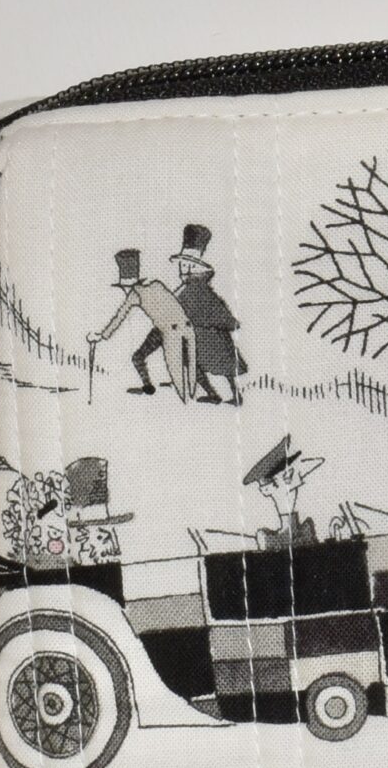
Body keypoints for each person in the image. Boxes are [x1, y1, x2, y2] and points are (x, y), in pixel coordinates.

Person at [87, 249, 193, 399]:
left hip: (168, 331)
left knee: (172, 369)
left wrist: (101, 336)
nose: (125, 291)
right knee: (185, 360)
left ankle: (182, 396)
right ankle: (208, 391)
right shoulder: (156, 284)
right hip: (178, 326)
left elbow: (119, 318)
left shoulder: (134, 294)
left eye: (124, 288)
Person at [172, 224, 246, 405]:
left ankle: (222, 395)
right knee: (200, 364)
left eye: (186, 264)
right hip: (201, 337)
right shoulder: (190, 288)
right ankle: (221, 394)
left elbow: (213, 308)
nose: (182, 268)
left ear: (194, 267)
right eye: (182, 264)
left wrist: (228, 322)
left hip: (208, 337)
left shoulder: (195, 289)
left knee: (207, 364)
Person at [243, 435, 322, 548]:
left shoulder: (305, 530)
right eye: (288, 477)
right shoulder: (270, 540)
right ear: (267, 489)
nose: (298, 479)